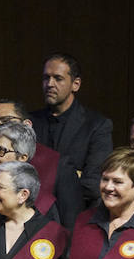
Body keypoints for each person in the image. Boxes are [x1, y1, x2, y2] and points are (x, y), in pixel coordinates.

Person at [29, 52, 113, 207]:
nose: (50, 84)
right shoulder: (30, 122)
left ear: (76, 84)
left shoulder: (97, 125)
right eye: (46, 78)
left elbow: (93, 184)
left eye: (58, 78)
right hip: (31, 217)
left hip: (75, 215)